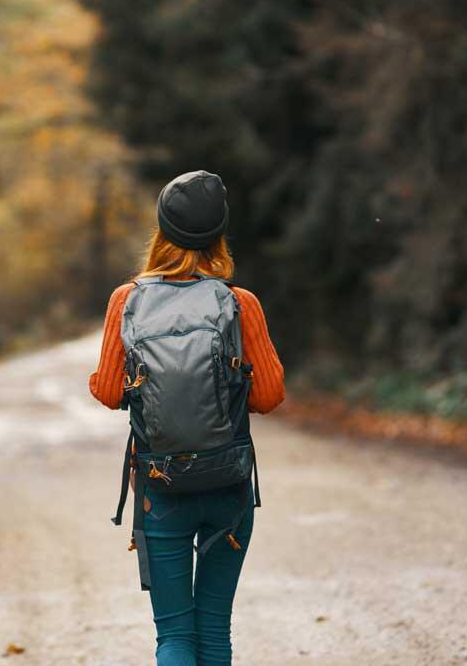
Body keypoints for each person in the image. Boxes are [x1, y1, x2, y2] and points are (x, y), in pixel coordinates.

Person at [89, 170, 286, 665]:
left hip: (161, 485)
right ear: (219, 234)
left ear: (161, 231)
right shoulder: (239, 304)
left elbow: (110, 391)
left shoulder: (127, 301)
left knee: (174, 637)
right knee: (214, 631)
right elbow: (269, 396)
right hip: (227, 485)